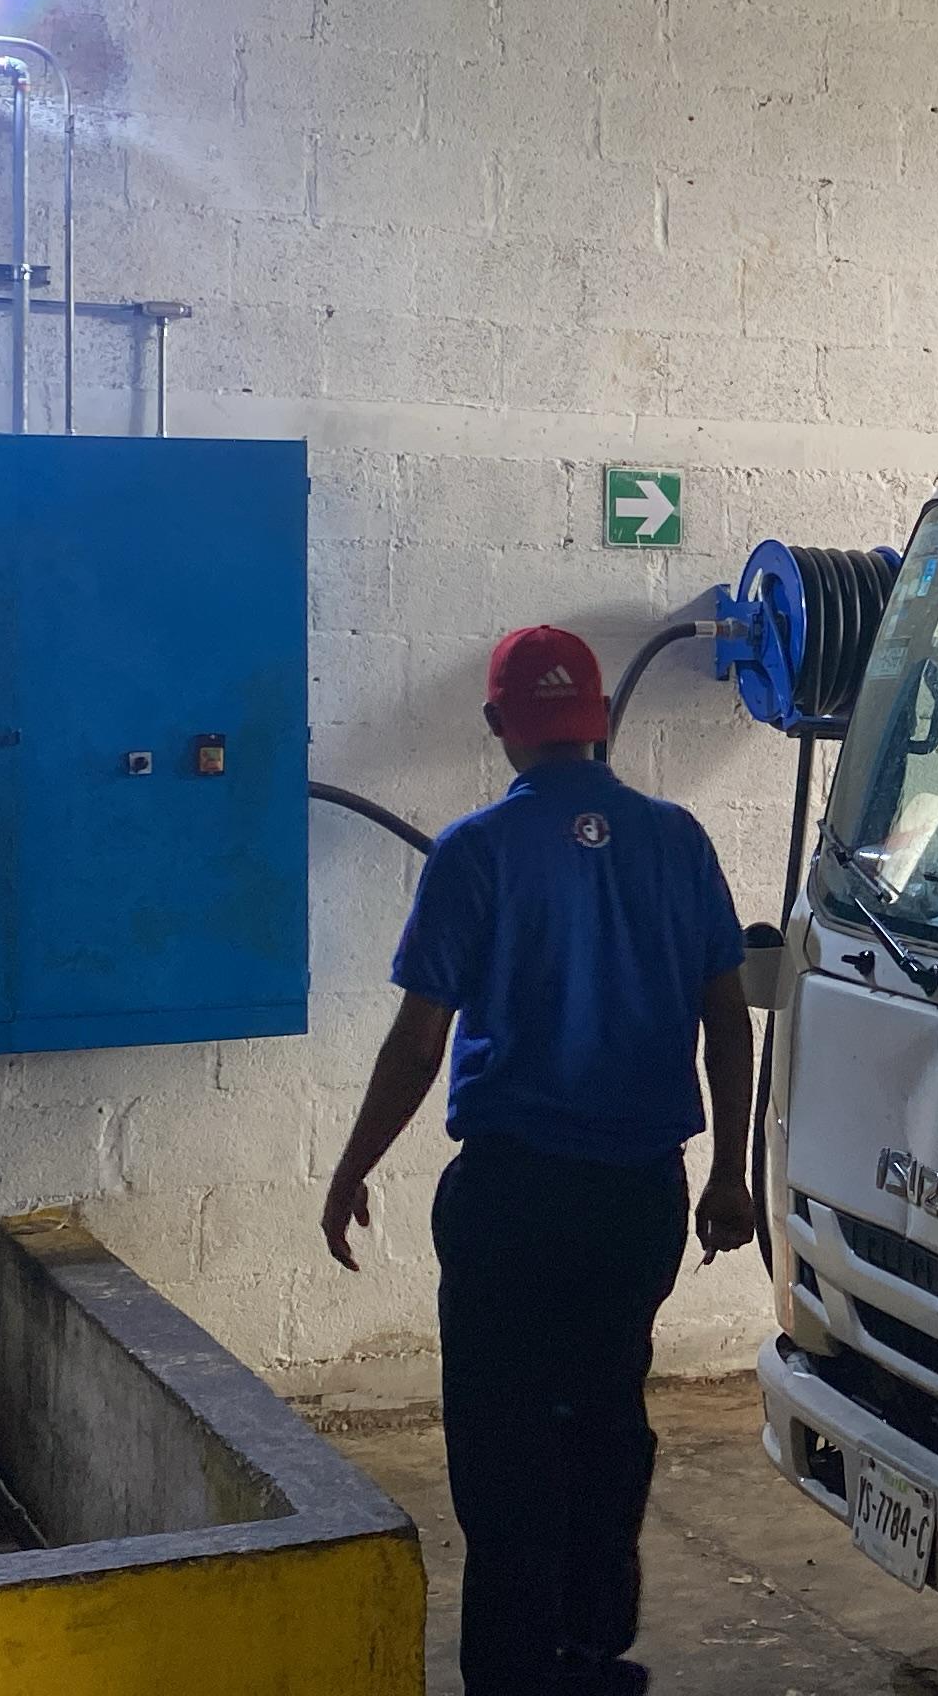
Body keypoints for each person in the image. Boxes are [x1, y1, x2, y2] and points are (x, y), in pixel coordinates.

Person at [321, 625, 757, 1696]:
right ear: (598, 721)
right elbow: (728, 1020)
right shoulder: (680, 842)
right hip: (637, 1201)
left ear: (497, 727)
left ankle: (516, 1676)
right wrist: (731, 1172)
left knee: (507, 1448)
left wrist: (351, 1167)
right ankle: (593, 1655)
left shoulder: (478, 851)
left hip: (513, 1199)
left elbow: (419, 1042)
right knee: (607, 1422)